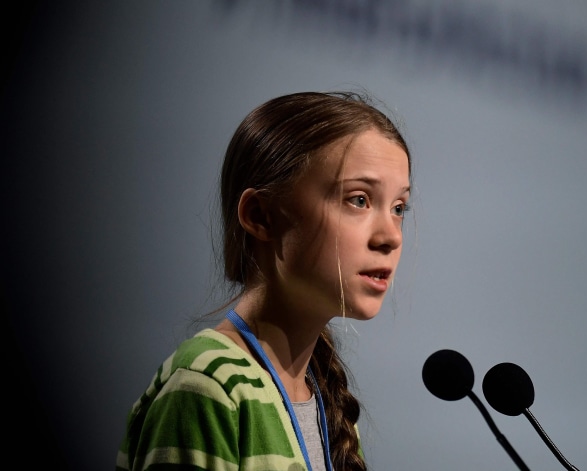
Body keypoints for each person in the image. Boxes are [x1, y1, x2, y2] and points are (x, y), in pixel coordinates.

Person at [115, 91, 411, 471]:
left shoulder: (333, 413)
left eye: (399, 207)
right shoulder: (209, 386)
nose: (391, 237)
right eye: (358, 200)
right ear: (261, 216)